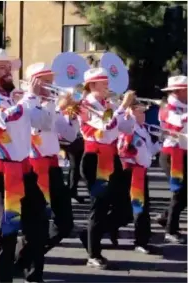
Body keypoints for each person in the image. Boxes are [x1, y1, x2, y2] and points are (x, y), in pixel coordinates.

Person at [0, 48, 52, 283]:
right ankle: (1, 278)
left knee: (39, 227)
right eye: (2, 68)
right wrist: (28, 98)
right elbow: (5, 118)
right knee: (6, 234)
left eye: (9, 68)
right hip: (1, 173)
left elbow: (43, 122)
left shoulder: (14, 96)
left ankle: (16, 268)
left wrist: (44, 100)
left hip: (24, 170)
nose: (9, 73)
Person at [77, 67, 135, 269]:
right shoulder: (85, 106)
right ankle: (94, 254)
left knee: (125, 210)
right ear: (92, 85)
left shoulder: (106, 104)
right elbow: (107, 127)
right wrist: (121, 108)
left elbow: (125, 129)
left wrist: (127, 112)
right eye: (103, 83)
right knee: (99, 208)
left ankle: (90, 234)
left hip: (112, 157)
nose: (108, 86)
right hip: (96, 159)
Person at [20, 63, 77, 262]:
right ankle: (26, 264)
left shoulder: (52, 105)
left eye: (51, 81)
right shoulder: (25, 103)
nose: (51, 85)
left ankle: (25, 259)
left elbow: (69, 136)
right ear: (34, 83)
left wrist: (72, 115)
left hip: (52, 166)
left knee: (65, 223)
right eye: (45, 81)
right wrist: (57, 106)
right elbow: (39, 125)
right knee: (38, 222)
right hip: (35, 167)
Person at [117, 101, 161, 254]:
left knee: (142, 207)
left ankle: (144, 238)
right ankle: (140, 241)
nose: (144, 115)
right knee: (138, 208)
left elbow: (150, 152)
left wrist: (161, 141)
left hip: (141, 172)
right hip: (133, 173)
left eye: (144, 112)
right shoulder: (131, 132)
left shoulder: (142, 129)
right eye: (140, 112)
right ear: (131, 113)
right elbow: (143, 157)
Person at [155, 75, 187, 244]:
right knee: (179, 191)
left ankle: (165, 217)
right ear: (181, 90)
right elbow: (177, 125)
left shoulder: (183, 105)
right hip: (172, 153)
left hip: (183, 151)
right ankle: (170, 230)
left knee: (184, 192)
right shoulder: (168, 107)